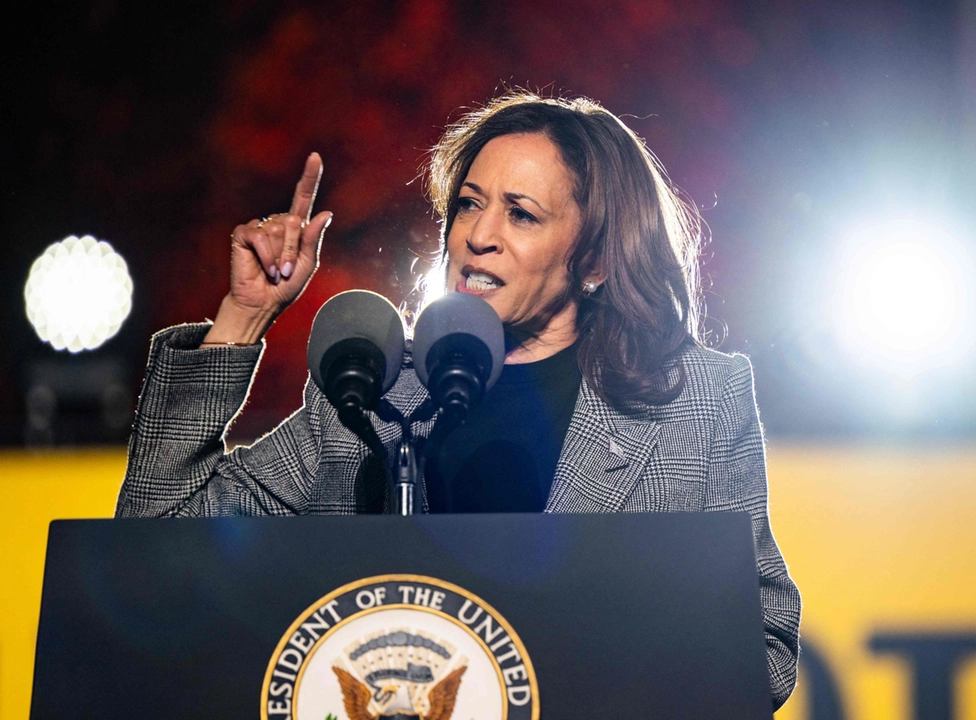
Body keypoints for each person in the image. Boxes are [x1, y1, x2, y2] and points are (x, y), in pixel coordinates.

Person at [116, 91, 801, 708]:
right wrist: (243, 314)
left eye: (521, 214)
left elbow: (761, 652)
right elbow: (156, 548)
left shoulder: (698, 402)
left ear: (594, 260)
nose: (478, 234)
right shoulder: (370, 390)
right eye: (469, 203)